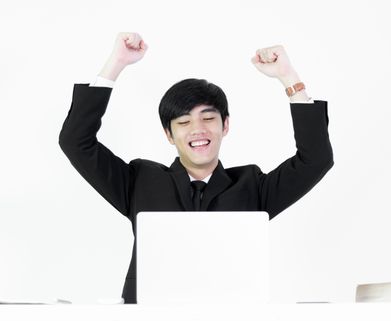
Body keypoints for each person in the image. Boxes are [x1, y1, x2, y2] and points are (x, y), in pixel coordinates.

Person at [59, 32, 334, 304]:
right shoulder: (139, 181)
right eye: (183, 122)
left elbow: (315, 159)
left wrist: (289, 77)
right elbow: (76, 141)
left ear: (225, 125)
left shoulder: (252, 186)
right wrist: (115, 64)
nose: (198, 129)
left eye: (208, 118)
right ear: (168, 134)